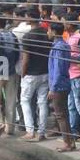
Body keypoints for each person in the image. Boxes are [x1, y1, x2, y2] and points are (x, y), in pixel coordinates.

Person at [18, 13, 53, 141]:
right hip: (45, 72)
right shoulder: (47, 33)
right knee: (42, 102)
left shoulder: (27, 37)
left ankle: (30, 131)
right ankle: (41, 132)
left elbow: (26, 59)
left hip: (31, 74)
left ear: (28, 18)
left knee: (25, 100)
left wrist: (23, 72)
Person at [0, 15, 20, 137]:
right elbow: (17, 54)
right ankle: (10, 128)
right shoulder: (12, 35)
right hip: (11, 71)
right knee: (10, 100)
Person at [46, 21, 76, 151]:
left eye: (48, 30)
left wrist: (53, 88)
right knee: (64, 114)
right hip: (64, 82)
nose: (47, 33)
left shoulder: (58, 47)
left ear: (53, 31)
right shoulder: (64, 45)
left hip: (58, 85)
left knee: (60, 115)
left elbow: (58, 69)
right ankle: (70, 141)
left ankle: (67, 143)